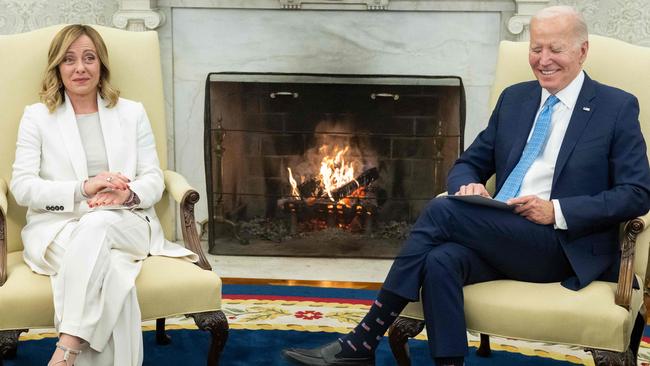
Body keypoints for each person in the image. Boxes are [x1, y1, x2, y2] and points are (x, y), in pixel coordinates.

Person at [284, 5, 650, 366]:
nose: (543, 59)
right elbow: (468, 164)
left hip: (560, 243)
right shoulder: (515, 98)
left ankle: (364, 338)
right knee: (441, 260)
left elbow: (636, 193)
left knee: (442, 210)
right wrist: (469, 185)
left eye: (556, 49)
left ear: (582, 51)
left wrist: (555, 210)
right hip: (501, 230)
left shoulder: (615, 108)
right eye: (536, 48)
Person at [10, 25, 198, 366]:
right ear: (57, 67)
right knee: (111, 272)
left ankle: (65, 349)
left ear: (101, 65)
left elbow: (154, 178)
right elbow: (23, 187)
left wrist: (126, 196)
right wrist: (83, 187)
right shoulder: (37, 117)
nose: (80, 67)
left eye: (88, 58)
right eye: (69, 59)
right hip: (58, 230)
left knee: (99, 226)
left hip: (126, 223)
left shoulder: (131, 112)